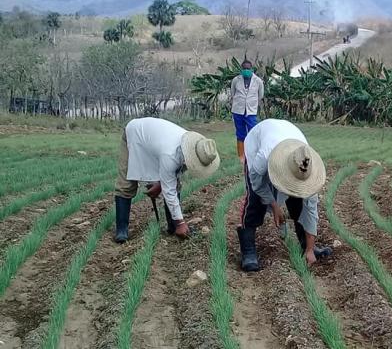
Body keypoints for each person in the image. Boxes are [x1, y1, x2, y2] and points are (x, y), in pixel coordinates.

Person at [237, 119, 332, 272]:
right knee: (255, 201)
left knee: (299, 200)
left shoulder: (306, 164)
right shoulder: (263, 157)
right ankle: (248, 251)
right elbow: (257, 184)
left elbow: (311, 209)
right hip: (257, 143)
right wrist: (274, 205)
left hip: (287, 135)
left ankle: (306, 246)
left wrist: (310, 248)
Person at [114, 117, 220, 243]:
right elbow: (169, 190)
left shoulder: (190, 148)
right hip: (134, 134)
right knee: (126, 184)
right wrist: (181, 223)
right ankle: (121, 230)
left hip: (153, 142)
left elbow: (173, 175)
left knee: (174, 185)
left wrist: (159, 184)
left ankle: (172, 226)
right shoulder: (171, 154)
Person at [230, 60, 264, 163]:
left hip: (251, 111)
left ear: (251, 69)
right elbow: (233, 93)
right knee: (240, 133)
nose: (246, 70)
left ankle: (253, 154)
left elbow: (260, 95)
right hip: (238, 110)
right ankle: (241, 156)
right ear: (241, 69)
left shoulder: (258, 81)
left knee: (253, 132)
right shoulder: (236, 80)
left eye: (247, 68)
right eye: (244, 68)